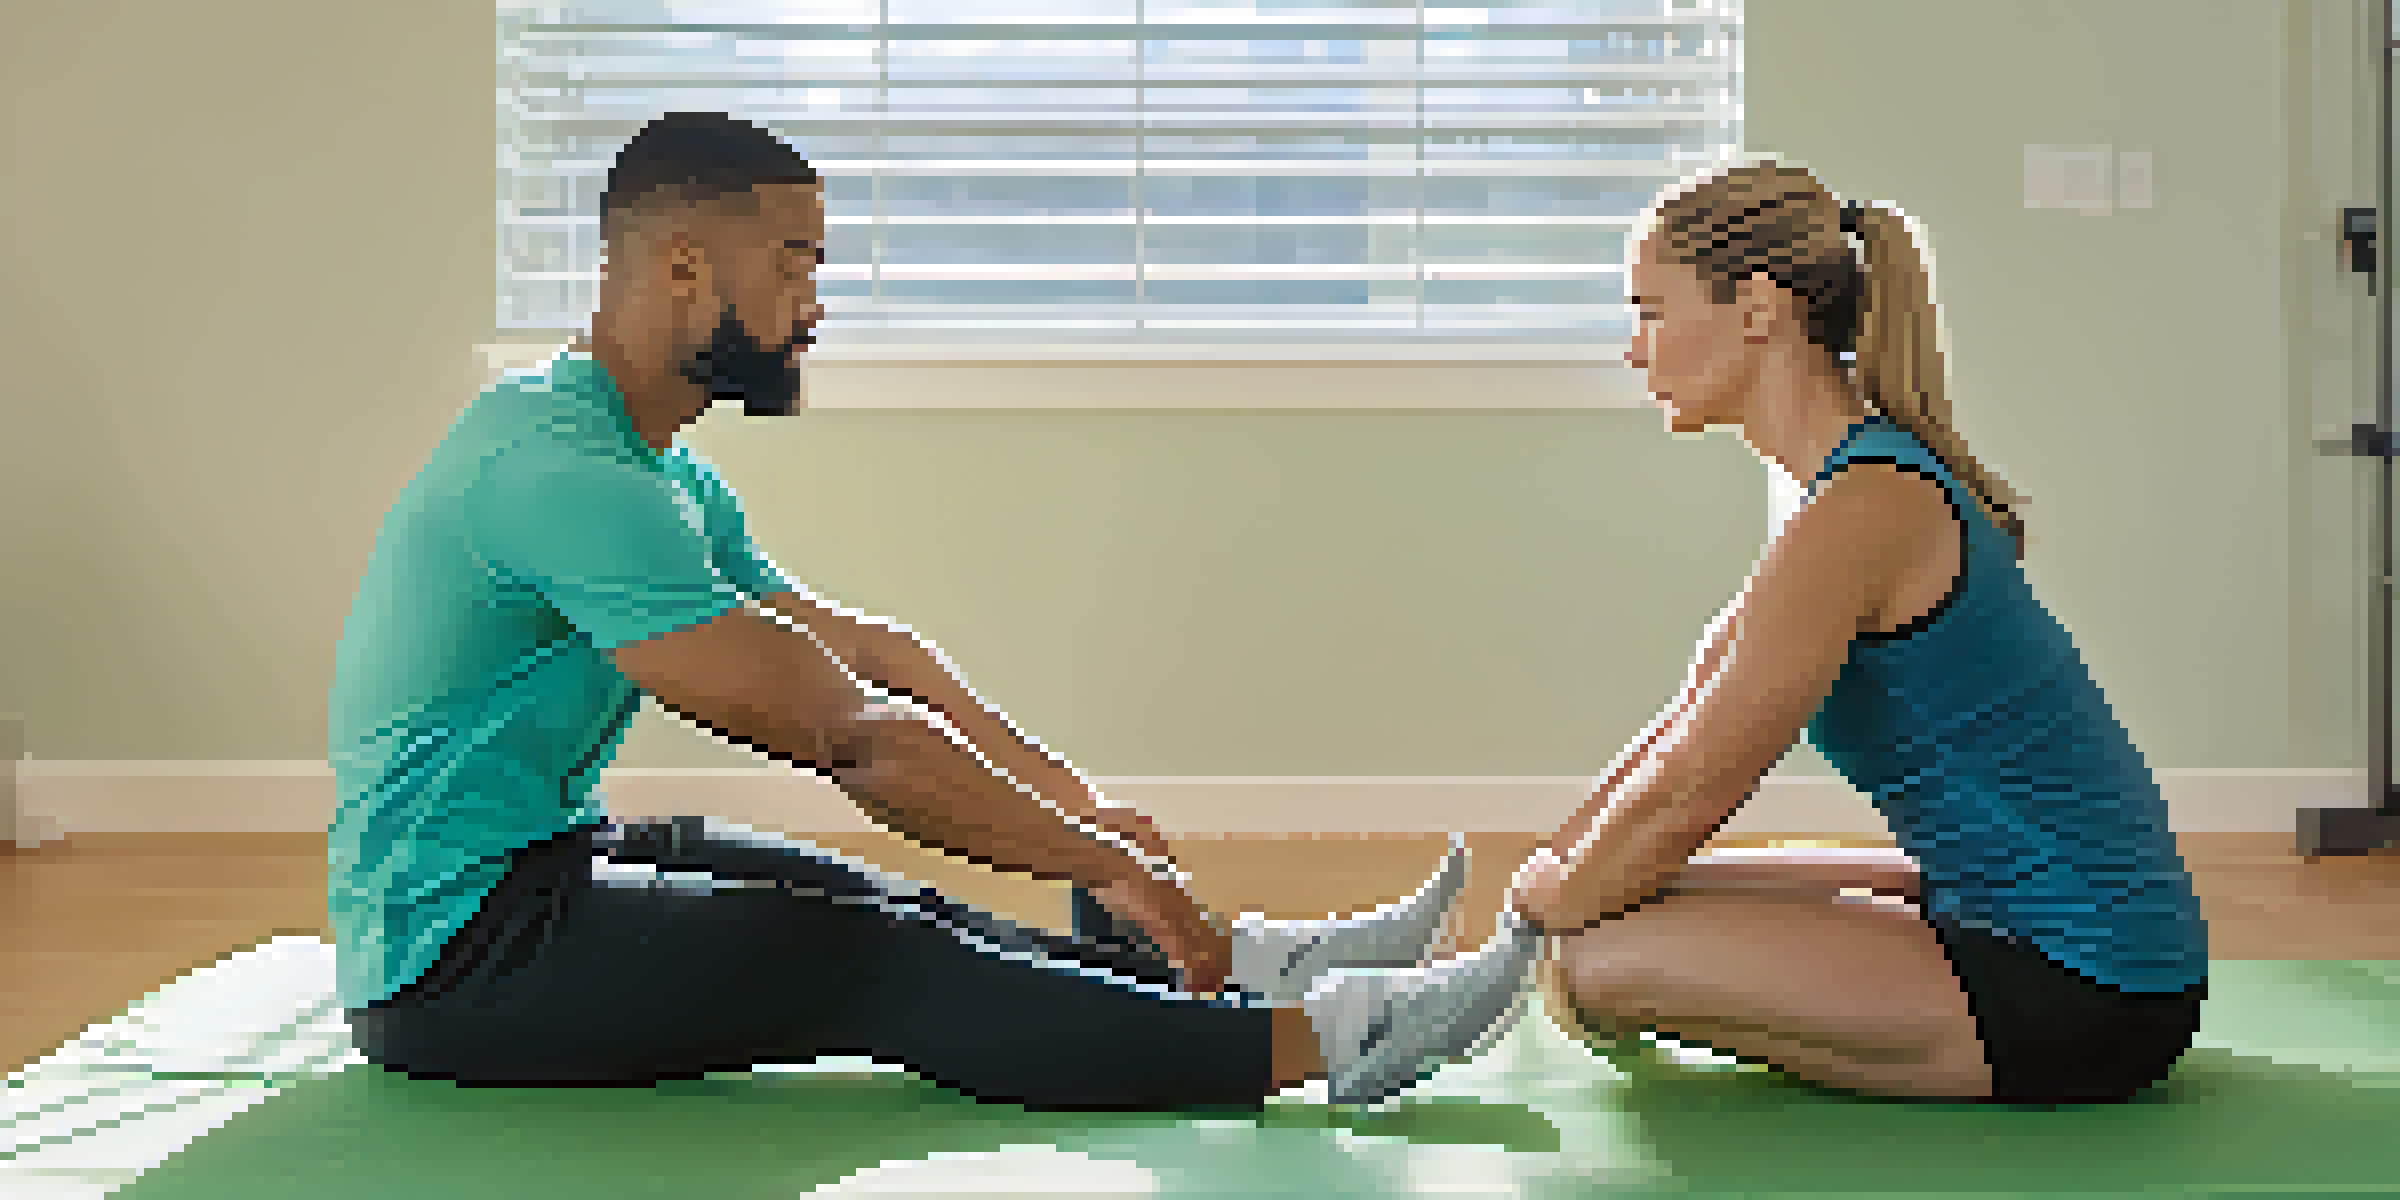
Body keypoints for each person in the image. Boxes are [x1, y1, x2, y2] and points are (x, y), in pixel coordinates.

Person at [329, 112, 1537, 1112]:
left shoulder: (650, 468)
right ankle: (1331, 1044)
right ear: (684, 264)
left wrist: (1079, 810)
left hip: (544, 863)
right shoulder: (564, 480)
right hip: (454, 963)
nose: (816, 300)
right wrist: (1102, 859)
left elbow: (869, 658)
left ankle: (1229, 976)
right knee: (870, 962)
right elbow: (851, 737)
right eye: (794, 262)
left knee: (889, 902)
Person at [1510, 160, 2210, 1106]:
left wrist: (1566, 908)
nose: (1635, 350)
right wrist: (1552, 880)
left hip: (2088, 981)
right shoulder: (1844, 491)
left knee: (1596, 963)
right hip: (2004, 910)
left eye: (1652, 311)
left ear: (1758, 310)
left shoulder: (1866, 508)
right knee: (1599, 911)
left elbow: (1704, 780)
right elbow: (1680, 731)